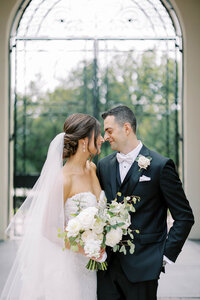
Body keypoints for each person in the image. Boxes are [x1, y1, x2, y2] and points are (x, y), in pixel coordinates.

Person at [0, 113, 104, 300]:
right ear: (83, 141)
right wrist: (84, 248)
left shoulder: (92, 168)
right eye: (98, 134)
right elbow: (48, 229)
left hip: (89, 265)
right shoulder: (63, 179)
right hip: (68, 264)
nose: (102, 138)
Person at [97, 105, 194, 300]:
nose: (105, 137)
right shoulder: (103, 165)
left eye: (109, 130)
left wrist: (164, 257)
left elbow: (184, 217)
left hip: (144, 269)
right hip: (107, 268)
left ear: (126, 128)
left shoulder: (160, 165)